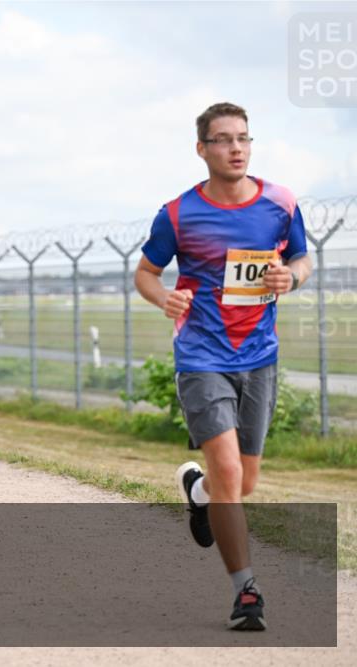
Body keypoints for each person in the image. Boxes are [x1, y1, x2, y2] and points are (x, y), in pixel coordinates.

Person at [134, 102, 312, 631]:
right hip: (201, 356)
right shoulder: (178, 213)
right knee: (230, 472)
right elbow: (146, 272)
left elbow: (301, 258)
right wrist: (161, 296)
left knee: (244, 481)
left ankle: (198, 492)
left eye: (243, 138)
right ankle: (246, 593)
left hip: (260, 357)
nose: (236, 147)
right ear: (202, 149)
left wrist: (292, 279)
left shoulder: (280, 202)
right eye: (223, 139)